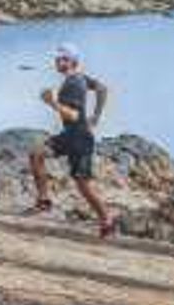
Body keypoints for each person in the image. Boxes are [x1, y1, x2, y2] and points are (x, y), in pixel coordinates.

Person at [27, 42, 115, 239]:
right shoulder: (80, 78)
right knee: (36, 153)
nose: (59, 61)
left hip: (80, 139)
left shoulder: (74, 83)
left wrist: (52, 103)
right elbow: (102, 89)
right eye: (58, 58)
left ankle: (107, 220)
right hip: (70, 135)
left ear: (74, 61)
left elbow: (74, 115)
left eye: (64, 58)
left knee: (83, 185)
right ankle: (44, 200)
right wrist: (96, 116)